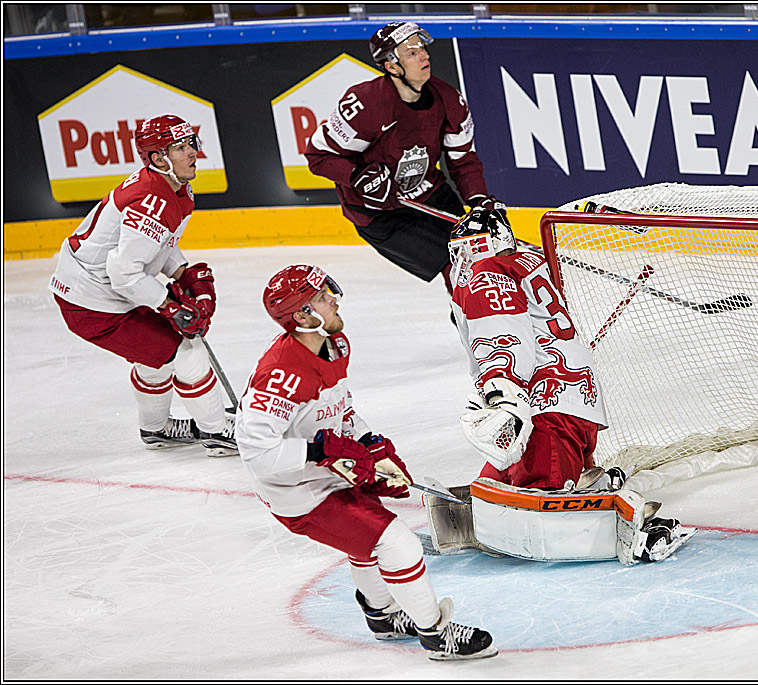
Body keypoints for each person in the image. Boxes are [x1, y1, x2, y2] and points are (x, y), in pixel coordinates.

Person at [234, 264, 496, 661]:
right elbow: (257, 453)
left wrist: (369, 444)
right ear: (302, 315)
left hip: (325, 468)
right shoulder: (280, 374)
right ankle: (435, 633)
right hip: (296, 490)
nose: (334, 300)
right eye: (323, 297)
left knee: (367, 543)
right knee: (397, 542)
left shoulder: (334, 345)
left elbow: (340, 410)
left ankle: (383, 616)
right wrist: (321, 452)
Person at [443, 208, 695, 564]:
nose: (461, 260)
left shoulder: (488, 273)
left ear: (483, 245)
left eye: (465, 248)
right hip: (573, 403)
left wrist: (502, 394)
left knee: (540, 503)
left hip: (543, 411)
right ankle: (593, 485)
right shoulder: (526, 262)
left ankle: (643, 530)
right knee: (493, 489)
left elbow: (504, 335)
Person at [48, 114, 237, 457]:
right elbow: (124, 272)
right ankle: (217, 431)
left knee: (155, 356)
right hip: (93, 302)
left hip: (98, 292)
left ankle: (156, 429)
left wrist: (182, 272)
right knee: (186, 350)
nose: (192, 152)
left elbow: (153, 245)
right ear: (158, 158)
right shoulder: (153, 199)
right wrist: (171, 306)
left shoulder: (172, 187)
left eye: (191, 142)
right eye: (180, 147)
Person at [304, 21, 504, 294]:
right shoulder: (365, 104)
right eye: (412, 52)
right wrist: (357, 177)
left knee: (477, 254)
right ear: (392, 67)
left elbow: (463, 161)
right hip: (380, 213)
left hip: (430, 192)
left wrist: (479, 200)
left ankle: (478, 313)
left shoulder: (449, 100)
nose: (424, 56)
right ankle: (471, 313)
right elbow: (318, 156)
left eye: (422, 48)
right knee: (455, 264)